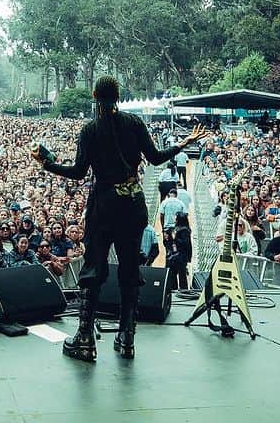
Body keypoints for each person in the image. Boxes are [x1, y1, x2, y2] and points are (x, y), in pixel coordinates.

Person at [32, 75, 206, 362]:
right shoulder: (134, 124)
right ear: (118, 96)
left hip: (104, 205)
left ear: (93, 95)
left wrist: (48, 164)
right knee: (129, 269)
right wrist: (182, 144)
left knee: (93, 269)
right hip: (133, 203)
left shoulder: (90, 130)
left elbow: (78, 172)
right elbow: (155, 158)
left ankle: (85, 339)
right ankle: (127, 339)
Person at [167, 211, 192, 289]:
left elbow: (185, 243)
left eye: (176, 217)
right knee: (173, 274)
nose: (174, 218)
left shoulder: (184, 230)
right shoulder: (176, 228)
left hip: (181, 255)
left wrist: (175, 238)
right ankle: (173, 290)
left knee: (182, 275)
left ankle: (183, 291)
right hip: (175, 254)